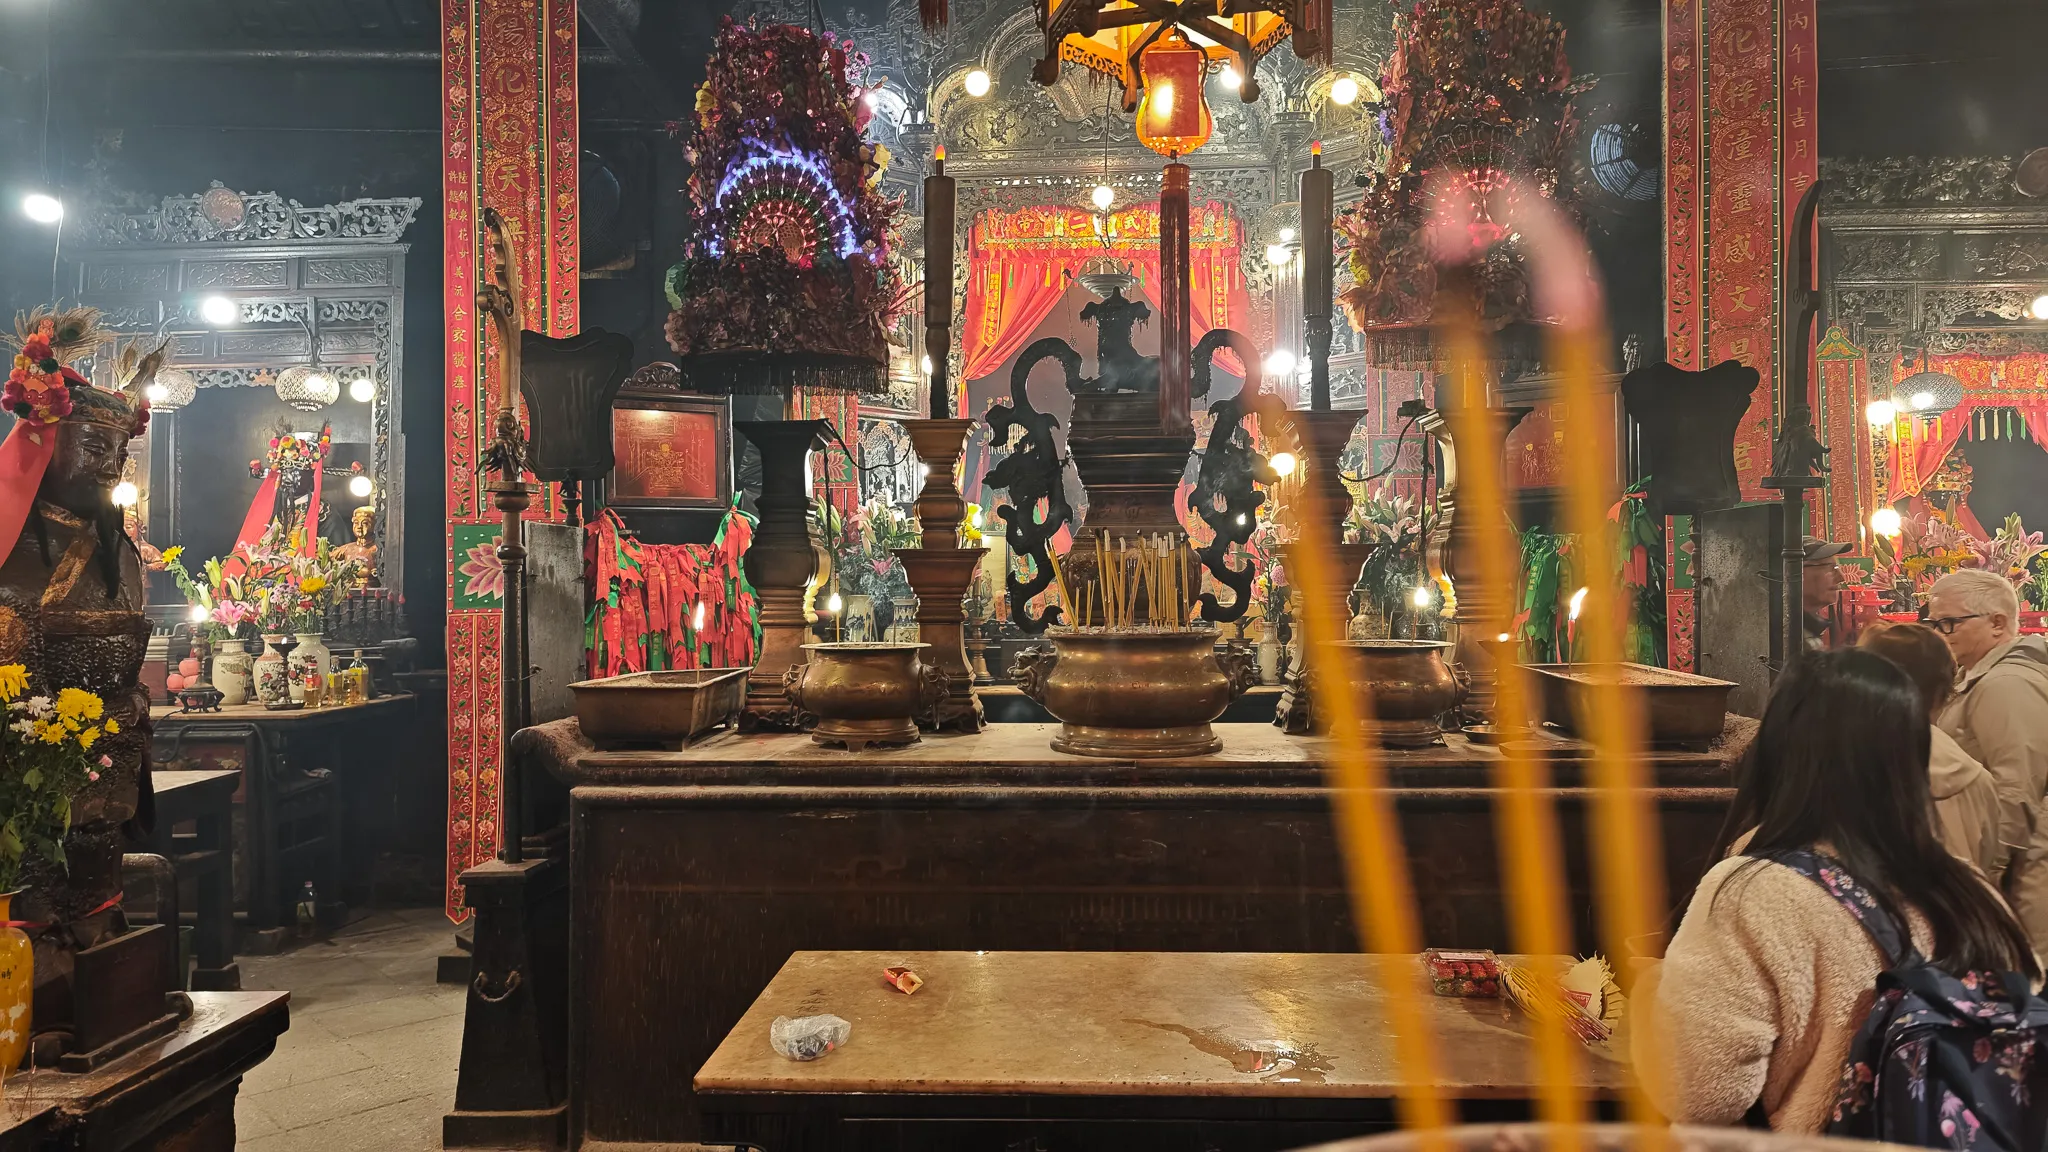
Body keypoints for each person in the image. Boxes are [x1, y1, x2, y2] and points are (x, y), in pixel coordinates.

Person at [1632, 650, 2037, 1133]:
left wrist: (1649, 999)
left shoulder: (1756, 893)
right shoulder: (1972, 891)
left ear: (1779, 748)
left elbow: (1701, 1095)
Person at [1927, 568, 2048, 947]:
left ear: (1997, 623)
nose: (1939, 634)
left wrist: (1988, 875)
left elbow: (2019, 788)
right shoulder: (1984, 676)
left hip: (2021, 874)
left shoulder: (2005, 684)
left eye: (1949, 623)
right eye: (1934, 623)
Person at [1857, 621, 2002, 880]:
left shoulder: (1834, 760)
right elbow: (1987, 855)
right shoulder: (1977, 779)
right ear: (1943, 693)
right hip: (1953, 910)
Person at [1801, 537, 1851, 650]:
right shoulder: (1782, 636)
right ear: (1798, 571)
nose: (1841, 578)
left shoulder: (1809, 630)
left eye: (1837, 567)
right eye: (1830, 567)